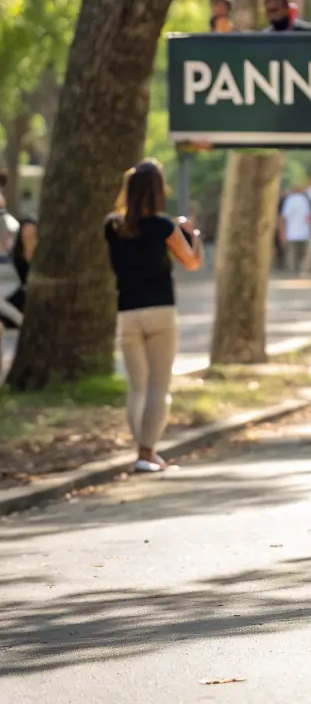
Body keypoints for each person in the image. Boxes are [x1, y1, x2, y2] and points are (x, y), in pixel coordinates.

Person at [105, 159, 202, 472]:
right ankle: (147, 452)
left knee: (138, 386)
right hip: (160, 310)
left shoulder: (113, 226)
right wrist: (192, 235)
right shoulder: (163, 225)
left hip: (128, 313)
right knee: (159, 385)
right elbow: (191, 262)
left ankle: (141, 452)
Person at [0, 214, 36, 331]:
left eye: (31, 231)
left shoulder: (41, 257)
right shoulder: (14, 257)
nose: (28, 234)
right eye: (26, 230)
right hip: (16, 298)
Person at [279, 184, 311, 273]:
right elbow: (308, 218)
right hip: (303, 234)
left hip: (292, 234)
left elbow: (283, 218)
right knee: (301, 260)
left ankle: (293, 276)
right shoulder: (304, 200)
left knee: (292, 261)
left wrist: (283, 233)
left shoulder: (289, 200)